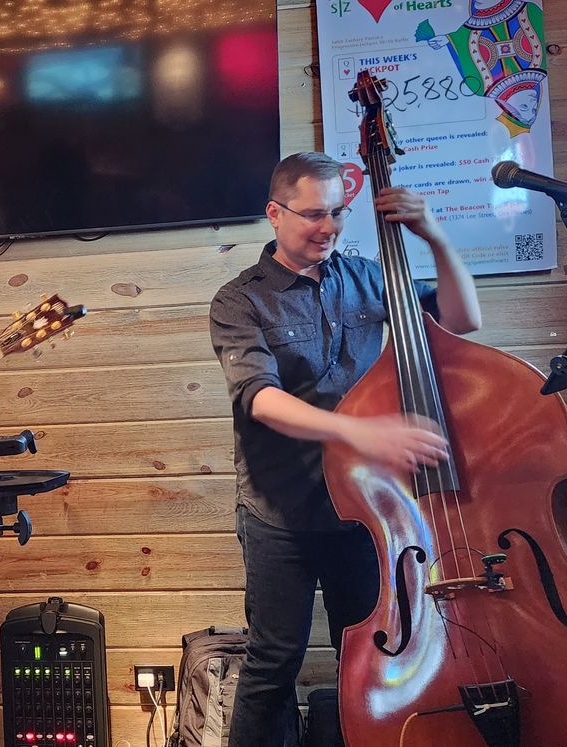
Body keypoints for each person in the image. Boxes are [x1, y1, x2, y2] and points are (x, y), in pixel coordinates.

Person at [209, 153, 483, 746]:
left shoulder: (365, 277)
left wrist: (433, 235)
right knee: (273, 662)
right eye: (313, 214)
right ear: (275, 214)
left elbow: (465, 319)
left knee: (364, 656)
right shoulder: (239, 300)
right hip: (279, 512)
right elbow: (260, 399)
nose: (328, 227)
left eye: (337, 212)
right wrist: (361, 432)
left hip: (361, 510)